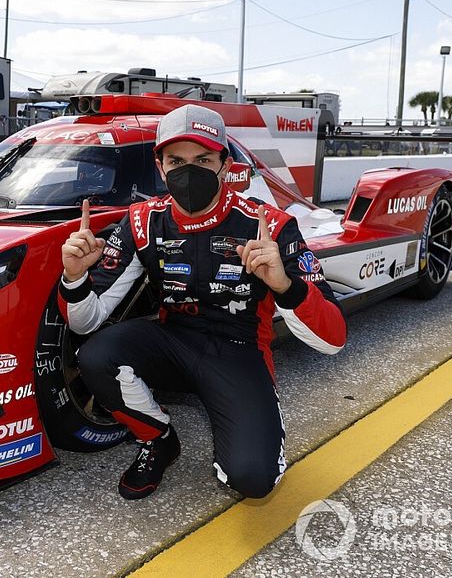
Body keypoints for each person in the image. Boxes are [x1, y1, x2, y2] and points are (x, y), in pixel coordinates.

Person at [59, 104, 346, 500]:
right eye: (176, 160)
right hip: (173, 339)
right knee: (95, 355)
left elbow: (333, 339)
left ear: (225, 166)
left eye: (203, 159)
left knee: (252, 480)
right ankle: (157, 439)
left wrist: (284, 286)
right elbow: (85, 322)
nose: (187, 171)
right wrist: (74, 277)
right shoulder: (142, 221)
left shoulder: (272, 225)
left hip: (240, 351)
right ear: (159, 166)